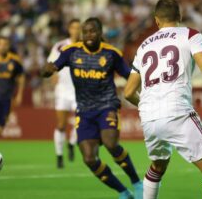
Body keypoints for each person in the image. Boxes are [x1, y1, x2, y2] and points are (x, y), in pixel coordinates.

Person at [124, 0, 202, 199]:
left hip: (148, 117)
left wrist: (147, 105)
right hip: (176, 110)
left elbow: (128, 92)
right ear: (180, 16)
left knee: (157, 166)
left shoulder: (144, 45)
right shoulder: (190, 35)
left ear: (156, 20)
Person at [41, 17, 142, 199]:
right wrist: (47, 70)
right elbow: (52, 68)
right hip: (84, 110)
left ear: (100, 33)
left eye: (93, 31)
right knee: (89, 159)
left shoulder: (111, 54)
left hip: (107, 105)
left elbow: (129, 75)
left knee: (111, 144)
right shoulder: (71, 51)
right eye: (85, 32)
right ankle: (123, 192)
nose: (88, 35)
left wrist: (145, 90)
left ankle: (136, 182)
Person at [47, 19, 81, 168]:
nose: (76, 30)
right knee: (61, 125)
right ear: (69, 29)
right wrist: (53, 76)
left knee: (81, 123)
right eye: (74, 27)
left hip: (80, 90)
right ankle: (59, 155)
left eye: (79, 28)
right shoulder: (60, 46)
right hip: (63, 90)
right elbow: (51, 64)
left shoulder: (85, 45)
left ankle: (72, 143)